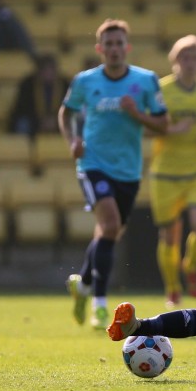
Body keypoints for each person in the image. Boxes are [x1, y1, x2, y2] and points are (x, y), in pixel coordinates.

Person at [60, 19, 169, 329]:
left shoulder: (146, 81)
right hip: (93, 164)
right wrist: (72, 141)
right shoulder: (85, 81)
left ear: (127, 47)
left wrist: (136, 114)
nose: (114, 49)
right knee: (109, 226)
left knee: (108, 231)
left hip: (128, 171)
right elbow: (65, 112)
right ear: (100, 49)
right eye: (108, 44)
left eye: (119, 43)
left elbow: (163, 124)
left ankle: (81, 285)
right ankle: (101, 305)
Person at [150, 35, 196, 307]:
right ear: (175, 61)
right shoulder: (161, 89)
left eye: (195, 58)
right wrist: (169, 129)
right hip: (166, 173)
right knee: (169, 236)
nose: (190, 63)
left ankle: (190, 265)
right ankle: (172, 287)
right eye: (185, 57)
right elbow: (146, 125)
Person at [9, 54, 70, 137]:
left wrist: (55, 120)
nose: (48, 74)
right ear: (38, 72)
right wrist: (39, 121)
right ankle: (26, 148)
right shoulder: (28, 85)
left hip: (58, 122)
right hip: (34, 122)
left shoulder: (64, 85)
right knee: (22, 124)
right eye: (45, 70)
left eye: (51, 70)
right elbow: (21, 109)